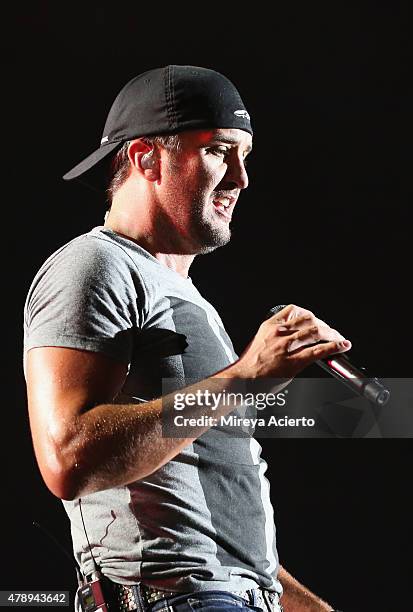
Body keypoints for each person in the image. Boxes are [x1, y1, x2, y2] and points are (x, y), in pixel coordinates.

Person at [24, 65, 349, 612]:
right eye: (220, 150)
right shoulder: (95, 264)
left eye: (246, 155)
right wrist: (243, 379)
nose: (241, 178)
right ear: (147, 157)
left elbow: (214, 531)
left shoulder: (186, 295)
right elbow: (68, 458)